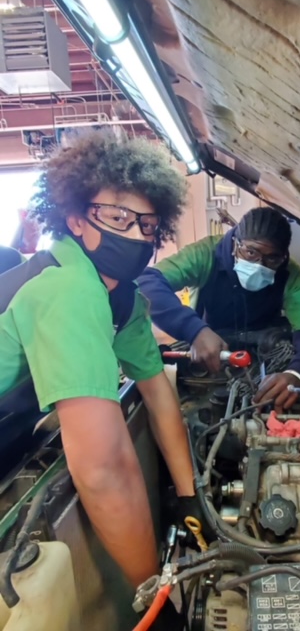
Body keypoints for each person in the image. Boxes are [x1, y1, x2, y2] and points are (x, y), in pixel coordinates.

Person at [0, 131, 206, 623]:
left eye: (147, 224)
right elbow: (103, 468)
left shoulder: (123, 298)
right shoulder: (67, 290)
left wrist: (187, 495)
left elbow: (158, 395)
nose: (135, 235)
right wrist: (154, 600)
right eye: (117, 218)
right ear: (75, 219)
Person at [139, 207, 300, 409]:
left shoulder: (290, 274)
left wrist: (297, 373)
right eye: (250, 252)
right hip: (210, 349)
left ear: (283, 257)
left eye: (272, 258)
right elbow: (146, 282)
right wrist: (193, 330)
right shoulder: (206, 254)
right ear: (234, 243)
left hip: (266, 349)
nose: (259, 264)